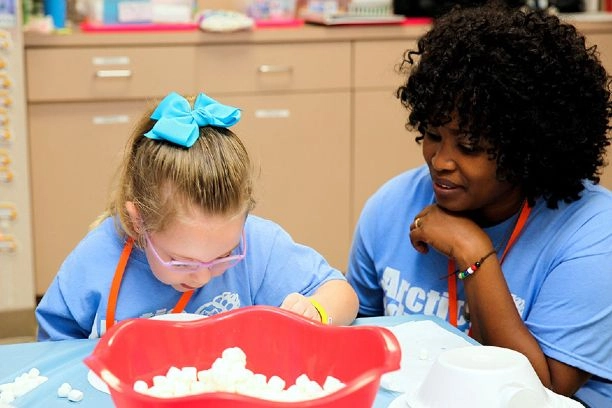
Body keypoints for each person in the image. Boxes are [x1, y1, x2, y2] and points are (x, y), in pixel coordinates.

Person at [346, 4, 612, 407]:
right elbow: (358, 339)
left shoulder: (593, 232)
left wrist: (473, 254)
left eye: (469, 146)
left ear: (528, 149)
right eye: (432, 134)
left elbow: (544, 391)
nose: (440, 161)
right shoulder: (392, 204)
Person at [36, 91, 359, 341]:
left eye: (224, 256)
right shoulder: (96, 260)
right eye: (182, 262)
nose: (203, 277)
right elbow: (52, 347)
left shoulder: (259, 245)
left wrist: (317, 310)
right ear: (138, 222)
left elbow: (342, 294)